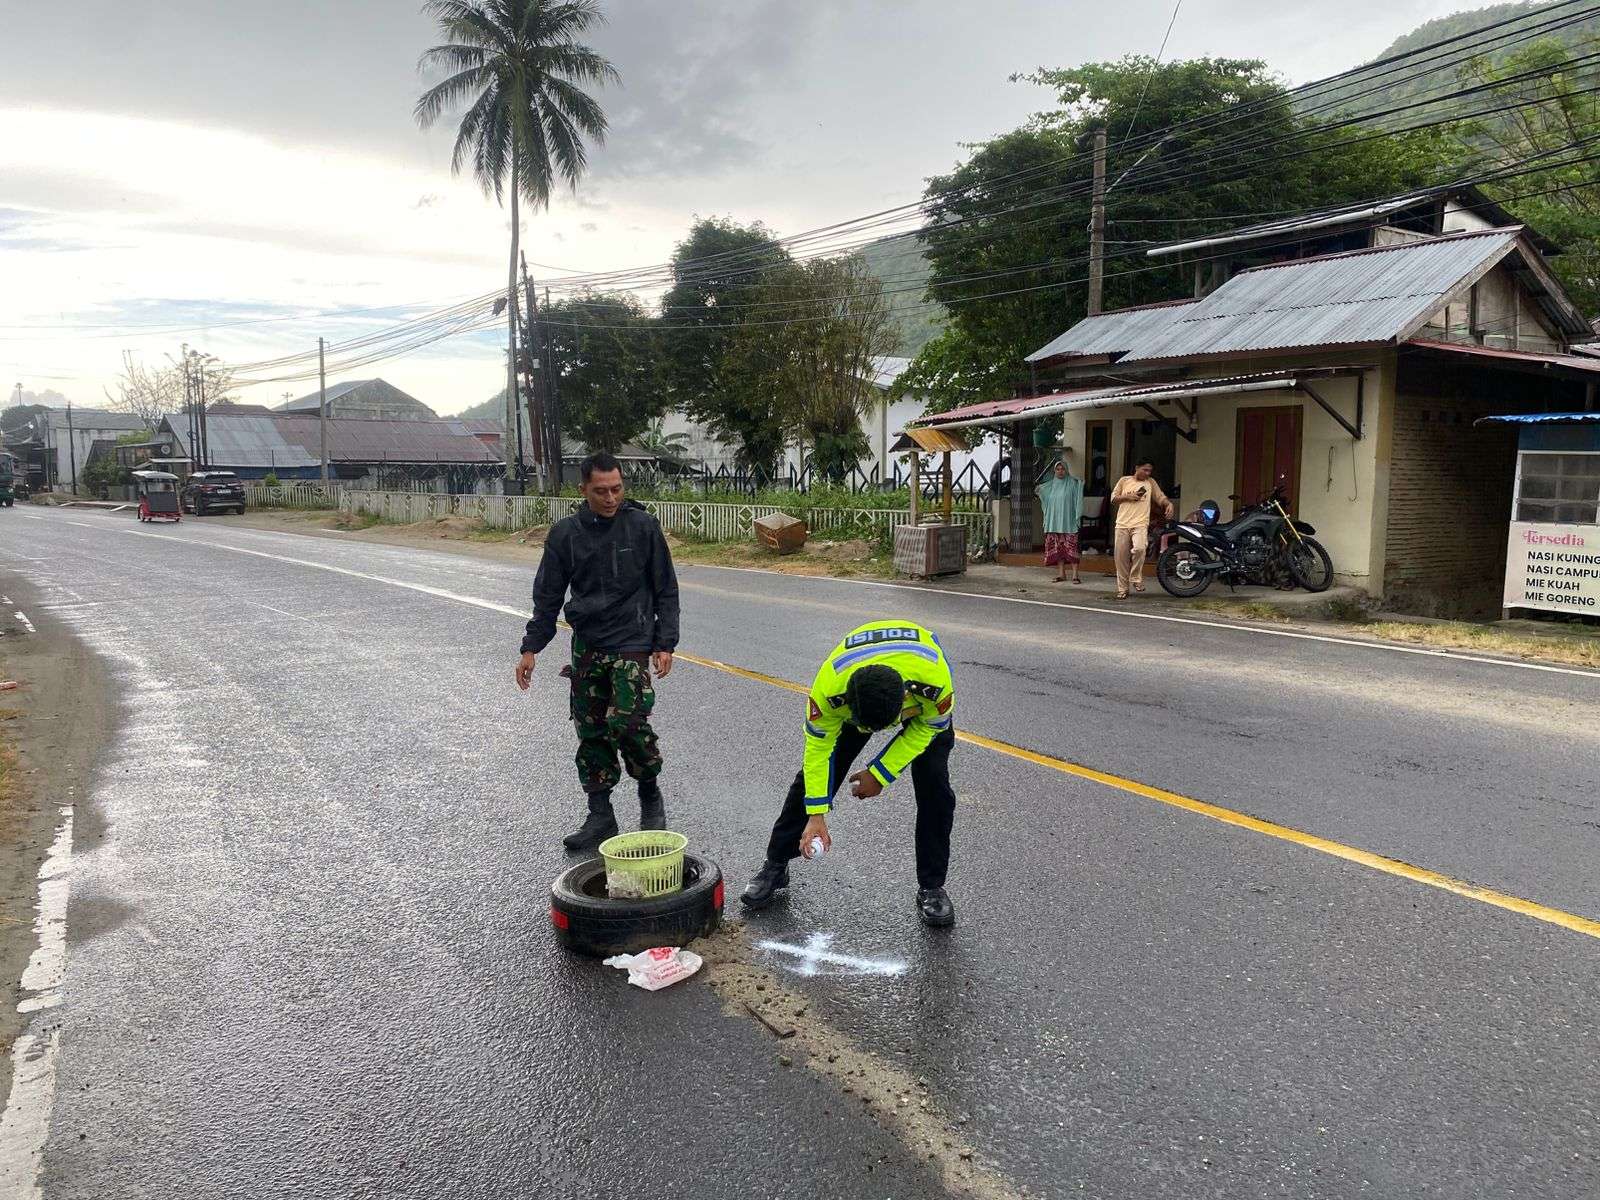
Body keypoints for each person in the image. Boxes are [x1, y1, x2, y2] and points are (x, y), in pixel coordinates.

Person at [741, 620, 958, 928]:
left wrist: (880, 773)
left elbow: (928, 729)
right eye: (864, 726)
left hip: (920, 698)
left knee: (935, 786)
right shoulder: (829, 690)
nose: (870, 733)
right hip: (860, 688)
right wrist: (816, 815)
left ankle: (932, 887)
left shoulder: (935, 685)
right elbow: (818, 753)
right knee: (814, 777)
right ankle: (776, 863)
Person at [515, 452, 680, 852]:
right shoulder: (565, 535)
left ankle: (650, 797)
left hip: (631, 641)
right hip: (588, 645)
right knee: (591, 730)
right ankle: (601, 815)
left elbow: (666, 588)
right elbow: (548, 596)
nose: (610, 498)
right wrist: (531, 647)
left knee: (629, 722)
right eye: (601, 491)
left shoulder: (643, 527)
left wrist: (664, 642)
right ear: (583, 490)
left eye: (617, 489)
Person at [1109, 459, 1174, 599]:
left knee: (1140, 548)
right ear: (1137, 468)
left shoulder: (1150, 482)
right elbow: (1113, 499)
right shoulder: (1124, 480)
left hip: (1140, 523)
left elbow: (1160, 497)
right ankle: (1122, 589)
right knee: (1121, 558)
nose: (1147, 473)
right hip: (1122, 524)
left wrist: (1168, 504)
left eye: (1149, 471)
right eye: (1145, 470)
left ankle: (1136, 578)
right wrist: (1127, 496)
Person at [1037, 458, 1085, 584]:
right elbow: (1043, 496)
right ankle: (1061, 574)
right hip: (1054, 523)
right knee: (1058, 549)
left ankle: (1075, 575)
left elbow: (1079, 498)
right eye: (1057, 469)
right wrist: (1039, 491)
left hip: (1069, 523)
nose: (1060, 471)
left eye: (1062, 469)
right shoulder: (1051, 485)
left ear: (1066, 470)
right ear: (1054, 471)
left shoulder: (1073, 484)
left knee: (1072, 548)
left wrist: (1080, 484)